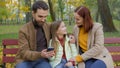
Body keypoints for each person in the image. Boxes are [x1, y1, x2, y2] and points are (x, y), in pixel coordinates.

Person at [15, 1, 55, 68]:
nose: (43, 19)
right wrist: (40, 54)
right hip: (25, 61)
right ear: (33, 13)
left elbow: (60, 30)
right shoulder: (24, 30)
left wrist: (69, 37)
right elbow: (24, 52)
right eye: (40, 16)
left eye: (45, 17)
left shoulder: (48, 26)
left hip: (42, 61)